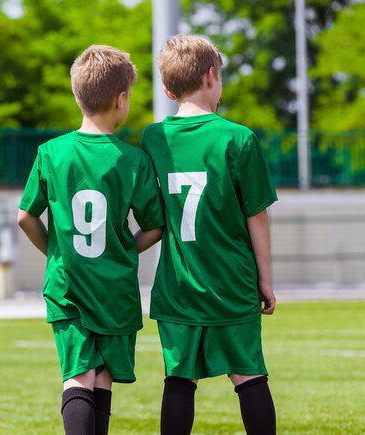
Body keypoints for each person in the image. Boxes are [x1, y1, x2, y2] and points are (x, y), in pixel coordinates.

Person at [18, 44, 165, 435]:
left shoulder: (51, 152)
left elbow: (25, 216)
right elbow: (155, 225)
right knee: (101, 379)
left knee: (79, 375)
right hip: (114, 287)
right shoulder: (133, 160)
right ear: (122, 99)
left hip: (67, 284)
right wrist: (124, 248)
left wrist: (55, 251)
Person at [141, 34, 278, 435]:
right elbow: (257, 217)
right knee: (249, 376)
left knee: (179, 380)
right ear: (212, 75)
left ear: (167, 89)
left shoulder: (153, 137)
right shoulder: (238, 138)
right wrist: (264, 279)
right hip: (231, 283)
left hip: (177, 286)